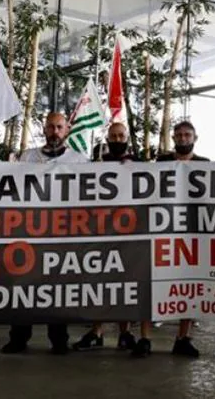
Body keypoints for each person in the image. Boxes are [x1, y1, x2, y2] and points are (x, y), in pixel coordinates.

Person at [2, 111, 88, 356]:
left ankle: (58, 339)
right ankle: (18, 338)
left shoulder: (79, 161)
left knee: (57, 288)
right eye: (51, 127)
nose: (55, 132)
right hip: (30, 232)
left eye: (59, 127)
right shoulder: (28, 157)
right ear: (44, 129)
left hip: (62, 234)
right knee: (23, 287)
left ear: (67, 130)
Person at [72, 122, 149, 356]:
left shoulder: (141, 165)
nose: (117, 139)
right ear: (107, 138)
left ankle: (125, 333)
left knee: (126, 283)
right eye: (113, 136)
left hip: (131, 233)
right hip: (101, 233)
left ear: (127, 137)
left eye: (121, 136)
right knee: (100, 283)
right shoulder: (95, 166)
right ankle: (97, 332)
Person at [153, 119, 205, 357]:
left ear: (195, 138)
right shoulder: (161, 162)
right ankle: (146, 335)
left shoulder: (206, 165)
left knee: (190, 284)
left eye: (187, 135)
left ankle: (183, 337)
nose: (183, 138)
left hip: (193, 231)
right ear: (173, 138)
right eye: (179, 135)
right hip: (163, 229)